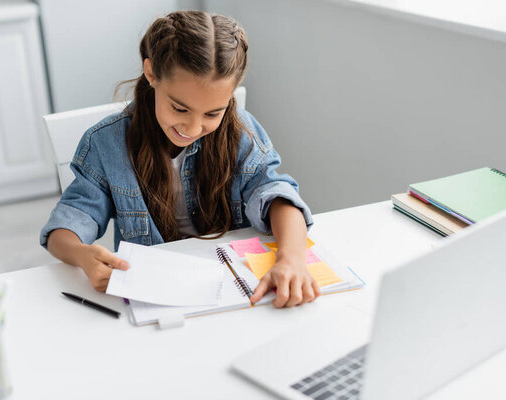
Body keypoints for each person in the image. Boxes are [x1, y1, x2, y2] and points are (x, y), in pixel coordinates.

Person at [40, 10, 320, 308]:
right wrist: (82, 255)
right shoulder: (105, 143)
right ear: (151, 74)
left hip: (233, 292)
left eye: (213, 113)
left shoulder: (242, 131)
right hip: (154, 298)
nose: (193, 128)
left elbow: (276, 195)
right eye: (180, 109)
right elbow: (67, 224)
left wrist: (291, 259)